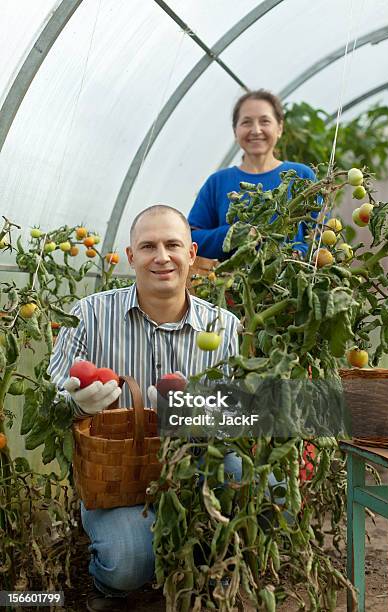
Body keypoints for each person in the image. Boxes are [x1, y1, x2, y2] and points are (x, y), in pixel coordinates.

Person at [48, 205, 242, 611]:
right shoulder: (89, 316)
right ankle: (110, 585)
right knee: (128, 562)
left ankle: (204, 560)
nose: (162, 256)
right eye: (148, 246)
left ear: (191, 253)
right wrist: (75, 402)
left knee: (252, 476)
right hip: (117, 477)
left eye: (172, 245)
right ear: (131, 256)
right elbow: (51, 395)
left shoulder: (222, 327)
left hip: (192, 468)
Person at [188, 89, 318, 261]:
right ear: (235, 131)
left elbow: (321, 236)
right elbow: (190, 238)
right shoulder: (218, 182)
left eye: (265, 121)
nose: (256, 130)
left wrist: (296, 253)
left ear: (279, 128)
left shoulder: (301, 176)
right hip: (232, 285)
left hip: (292, 284)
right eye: (246, 123)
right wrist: (233, 234)